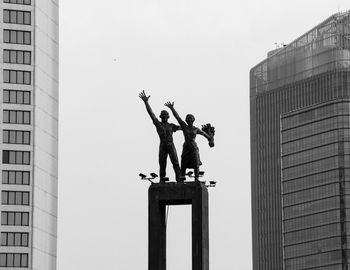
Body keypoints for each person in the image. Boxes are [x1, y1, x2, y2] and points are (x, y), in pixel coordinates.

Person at [165, 101, 214, 181]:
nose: (189, 119)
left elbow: (207, 136)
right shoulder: (184, 126)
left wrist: (210, 138)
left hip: (193, 146)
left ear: (193, 120)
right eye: (187, 118)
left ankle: (196, 178)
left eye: (190, 118)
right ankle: (182, 178)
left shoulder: (196, 129)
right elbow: (177, 117)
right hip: (186, 146)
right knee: (183, 162)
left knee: (196, 163)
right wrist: (172, 108)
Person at [139, 91, 181, 182]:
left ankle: (179, 178)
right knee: (162, 163)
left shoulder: (172, 126)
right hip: (163, 145)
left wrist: (173, 109)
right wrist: (146, 102)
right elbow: (151, 113)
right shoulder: (158, 124)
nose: (165, 116)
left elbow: (185, 128)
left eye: (166, 115)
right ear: (160, 116)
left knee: (176, 162)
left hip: (171, 145)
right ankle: (162, 179)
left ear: (168, 116)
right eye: (163, 115)